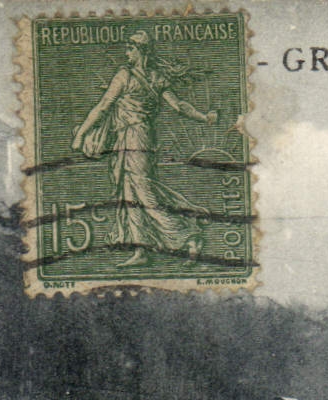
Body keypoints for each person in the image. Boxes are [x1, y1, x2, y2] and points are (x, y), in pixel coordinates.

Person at [70, 30, 219, 268]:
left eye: (130, 48)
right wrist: (204, 117)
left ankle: (189, 237)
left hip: (134, 137)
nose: (126, 53)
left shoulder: (124, 76)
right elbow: (179, 106)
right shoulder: (157, 78)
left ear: (140, 51)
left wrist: (81, 134)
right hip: (138, 138)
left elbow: (103, 107)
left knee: (143, 192)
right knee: (130, 193)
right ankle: (142, 250)